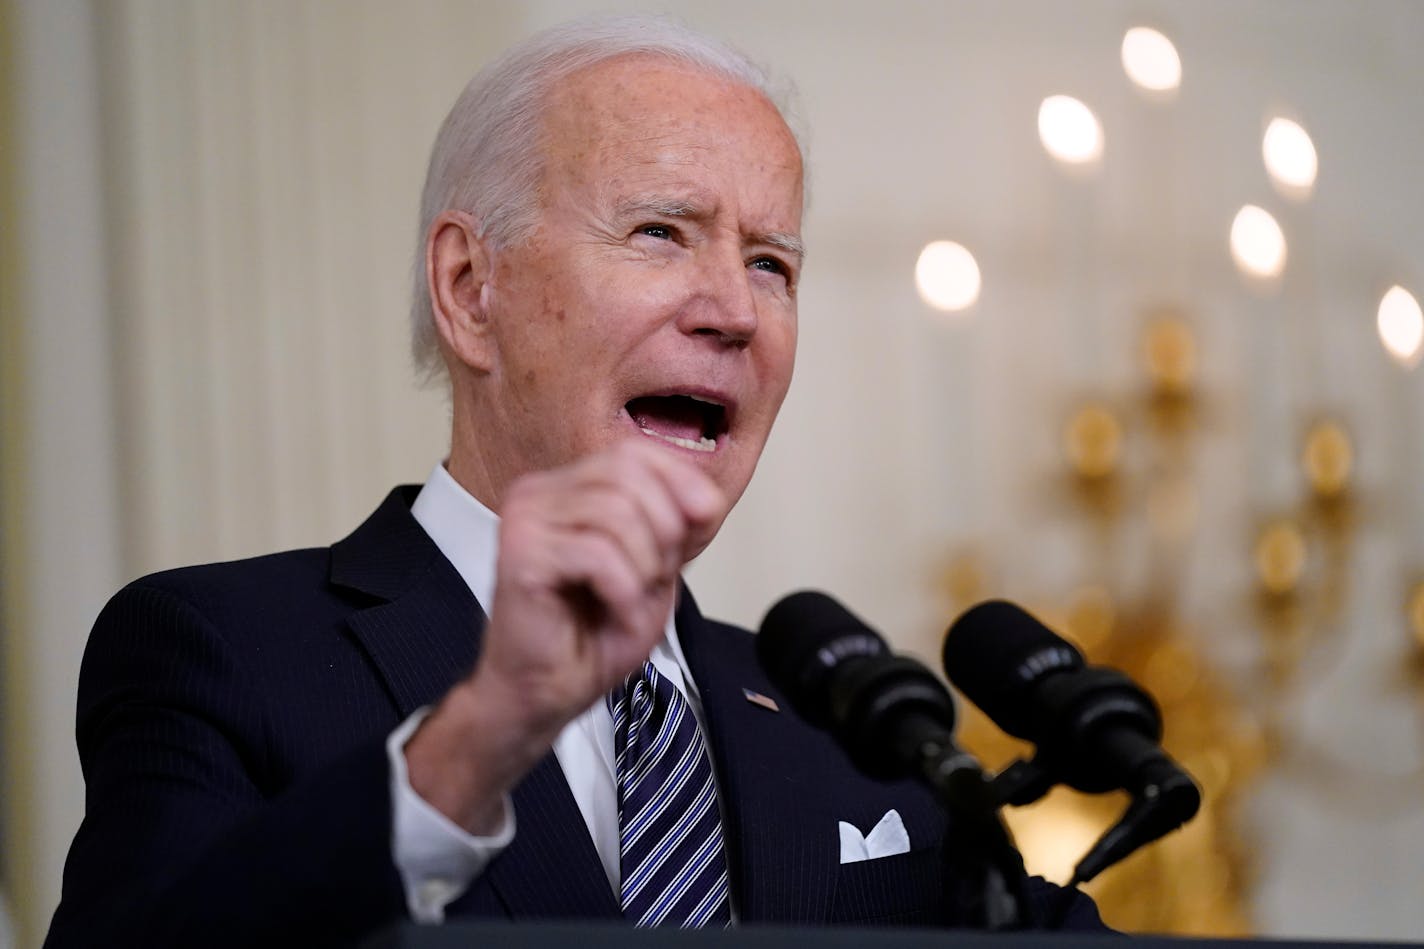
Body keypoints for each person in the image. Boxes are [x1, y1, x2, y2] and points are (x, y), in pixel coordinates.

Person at [45, 16, 1103, 948]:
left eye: (771, 262)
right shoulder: (225, 654)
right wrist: (481, 737)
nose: (732, 309)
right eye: (659, 233)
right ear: (470, 289)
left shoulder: (859, 735)